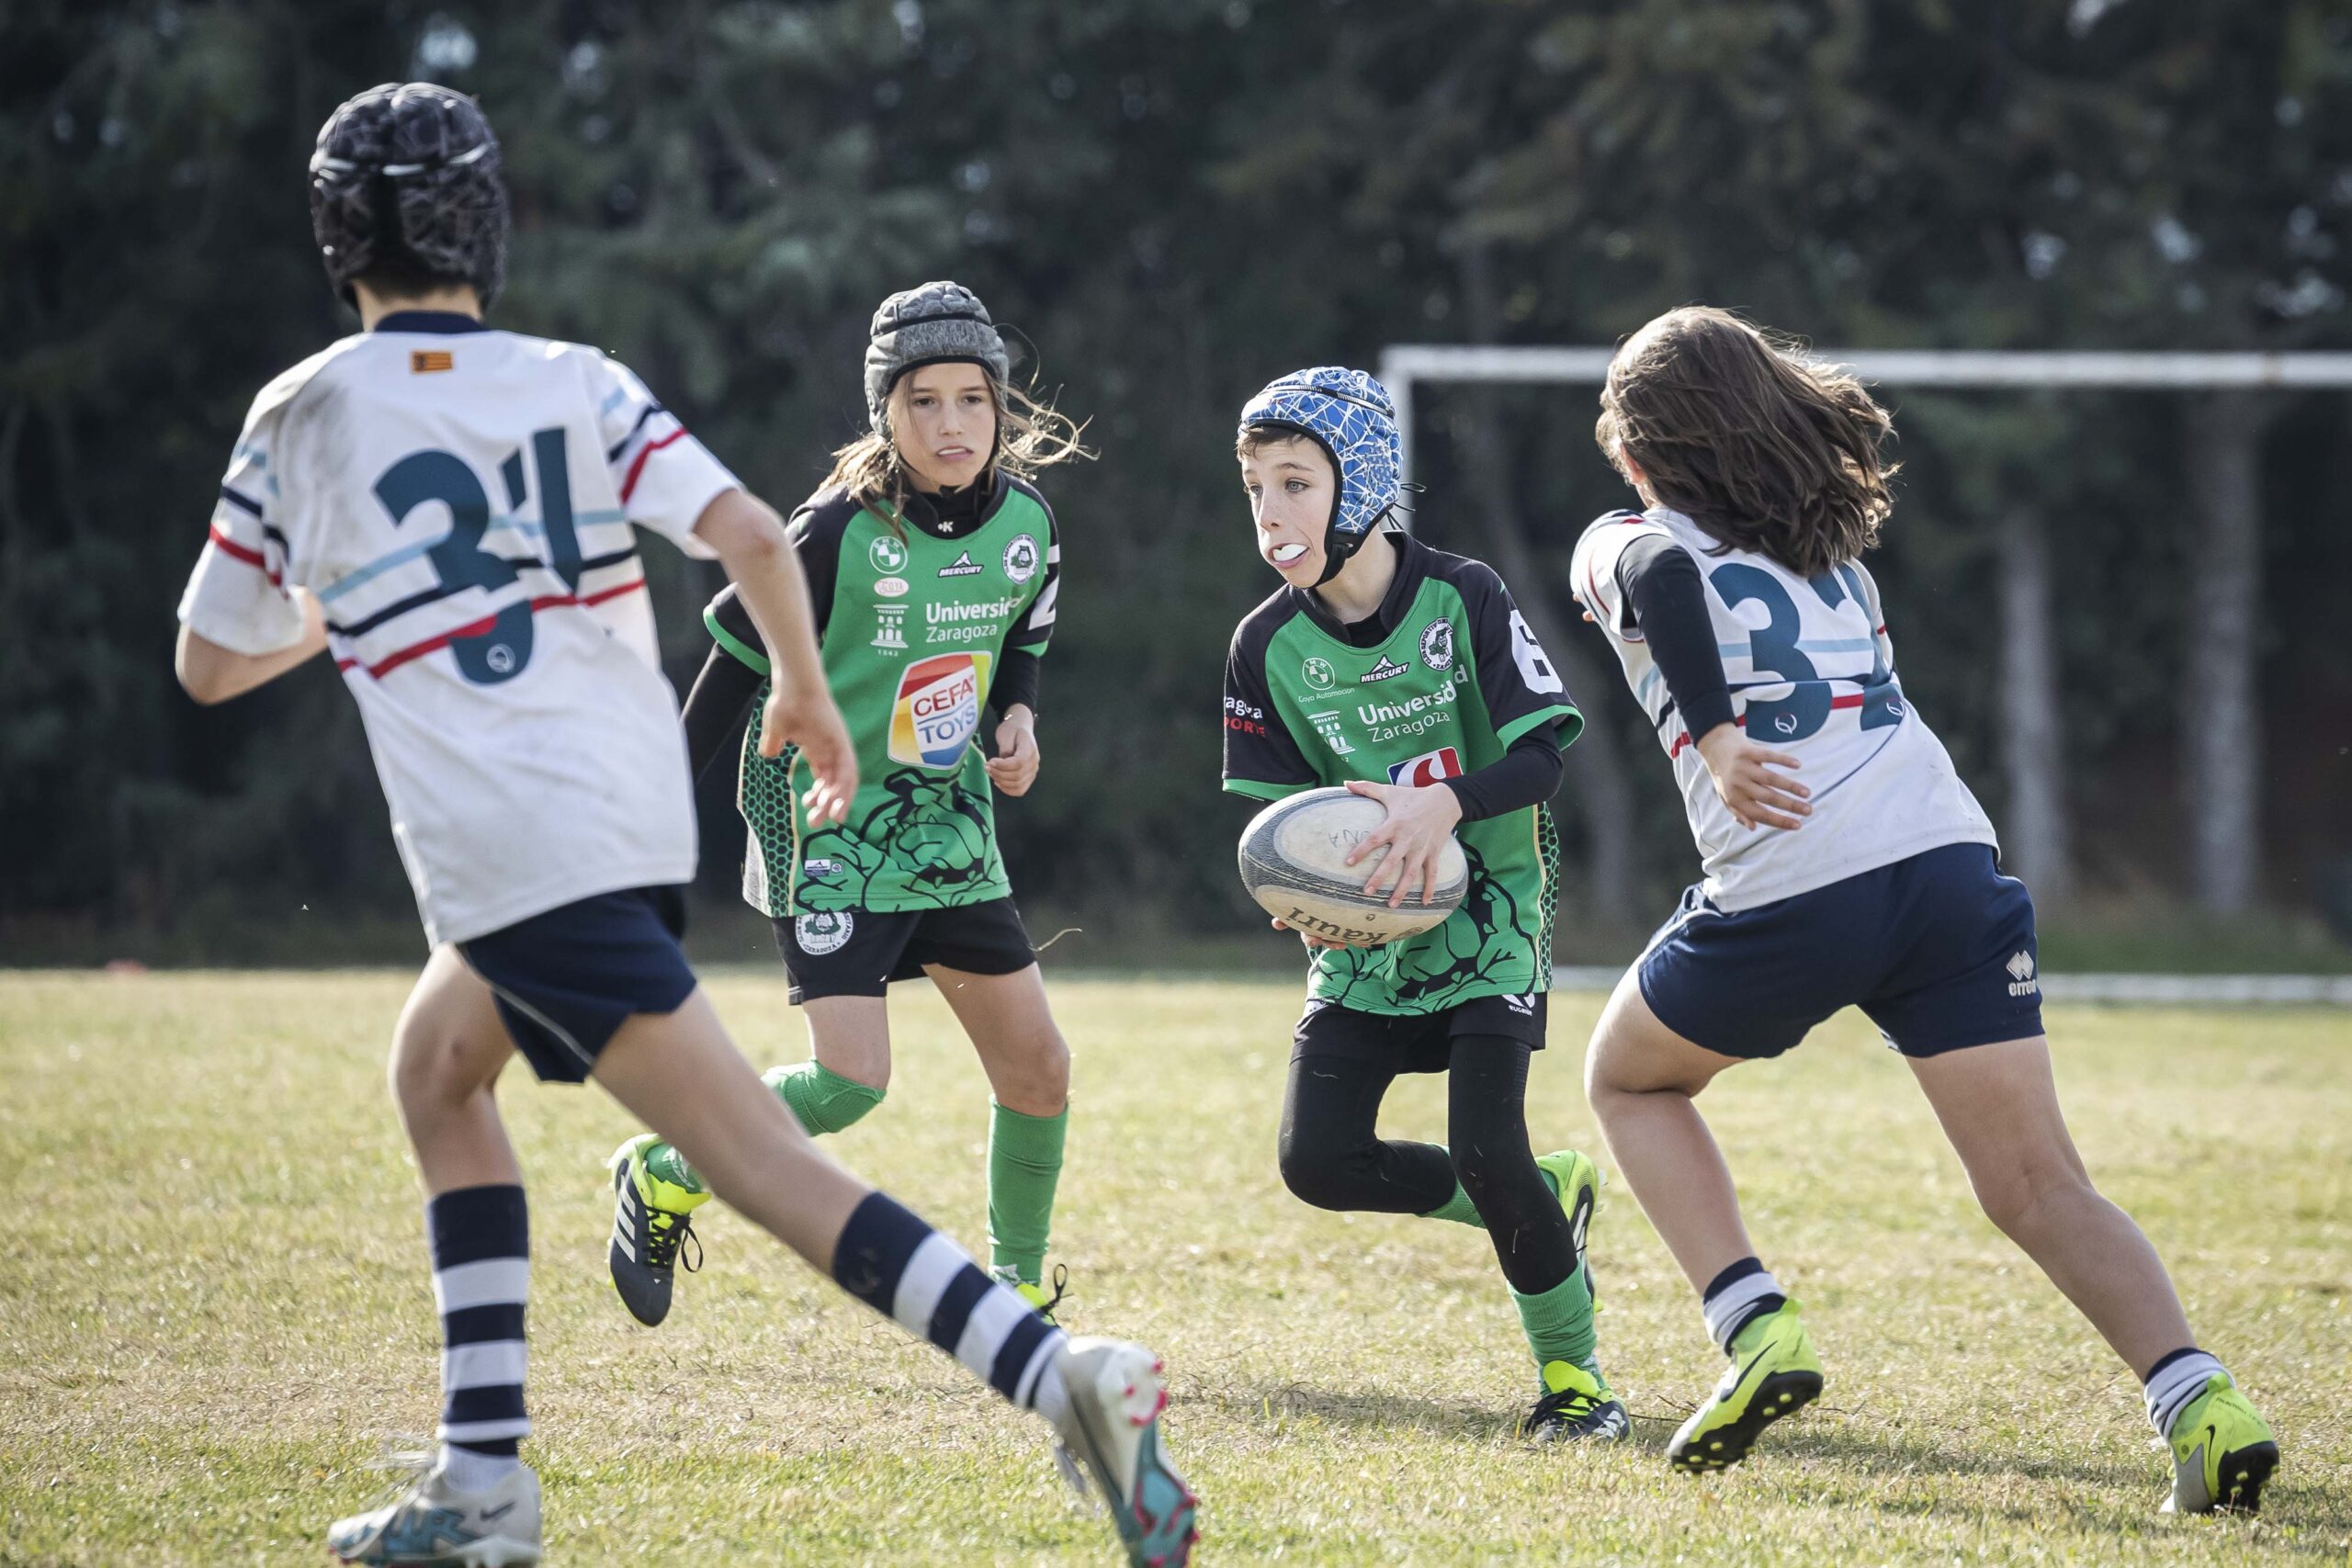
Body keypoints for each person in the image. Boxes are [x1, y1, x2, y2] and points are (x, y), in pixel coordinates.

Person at [174, 83, 1193, 1567]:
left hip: (536, 848)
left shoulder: (306, 409)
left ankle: (1063, 1377)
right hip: (633, 814)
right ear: (490, 227)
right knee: (439, 1071)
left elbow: (208, 660)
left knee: (777, 1170)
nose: (956, 421)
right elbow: (756, 539)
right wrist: (813, 698)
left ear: (338, 241)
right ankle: (485, 1478)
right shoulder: (577, 376)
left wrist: (357, 595)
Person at [1567, 305, 2278, 1513]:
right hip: (1948, 862)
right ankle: (2201, 1400)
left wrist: (1721, 730)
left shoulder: (1625, 536)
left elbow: (1653, 572)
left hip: (1798, 883)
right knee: (2040, 1183)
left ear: (1638, 451)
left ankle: (1754, 1327)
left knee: (1627, 1078)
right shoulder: (1826, 551)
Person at [602, 281, 1092, 1334]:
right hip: (821, 824)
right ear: (886, 412)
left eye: (973, 399)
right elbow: (730, 674)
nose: (952, 423)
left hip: (948, 827)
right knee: (850, 1081)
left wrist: (1018, 719)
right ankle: (666, 1167)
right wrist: (656, 829)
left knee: (1039, 1070)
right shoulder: (831, 533)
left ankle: (1014, 1296)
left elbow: (1022, 644)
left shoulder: (1028, 524)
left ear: (1001, 407)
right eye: (923, 402)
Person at [1219, 367, 1623, 1441]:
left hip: (1492, 913)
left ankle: (1576, 1387)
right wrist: (1297, 895)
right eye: (1255, 485)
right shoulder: (1264, 646)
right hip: (1370, 942)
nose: (1271, 510)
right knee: (1318, 1163)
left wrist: (1439, 806)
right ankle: (1543, 1194)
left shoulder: (1463, 595)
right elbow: (1276, 821)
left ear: (1361, 488)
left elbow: (1542, 758)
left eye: (1297, 482)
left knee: (1487, 1147)